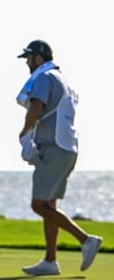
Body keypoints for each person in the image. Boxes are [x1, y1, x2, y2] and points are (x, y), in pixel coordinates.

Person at [15, 40, 103, 276]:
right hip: (67, 148)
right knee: (49, 204)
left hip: (54, 149)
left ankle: (86, 240)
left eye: (29, 58)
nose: (27, 63)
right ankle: (50, 261)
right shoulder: (62, 78)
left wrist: (24, 131)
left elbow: (36, 108)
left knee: (39, 204)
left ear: (39, 58)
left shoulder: (44, 78)